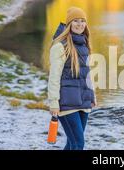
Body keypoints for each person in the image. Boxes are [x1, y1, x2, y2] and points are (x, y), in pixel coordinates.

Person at [47, 7, 96, 150]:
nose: (79, 24)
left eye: (82, 21)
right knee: (78, 144)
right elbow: (54, 77)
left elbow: (87, 74)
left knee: (72, 143)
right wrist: (54, 102)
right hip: (67, 104)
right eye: (75, 21)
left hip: (84, 101)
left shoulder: (85, 45)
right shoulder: (60, 47)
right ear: (69, 24)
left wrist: (92, 96)